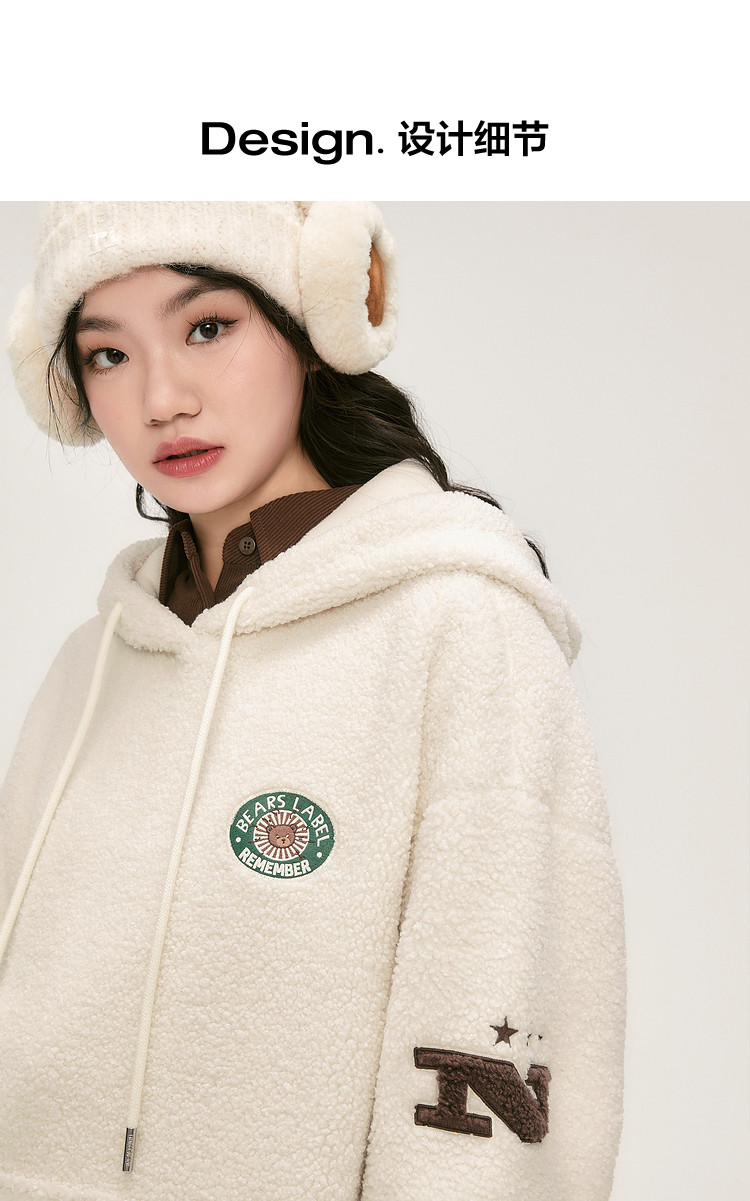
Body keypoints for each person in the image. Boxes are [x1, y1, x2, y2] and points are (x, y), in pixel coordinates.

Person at [0, 201, 625, 1201]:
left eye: (208, 326)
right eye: (108, 354)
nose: (161, 398)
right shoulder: (90, 666)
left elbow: (488, 1076)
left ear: (313, 320)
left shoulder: (461, 628)